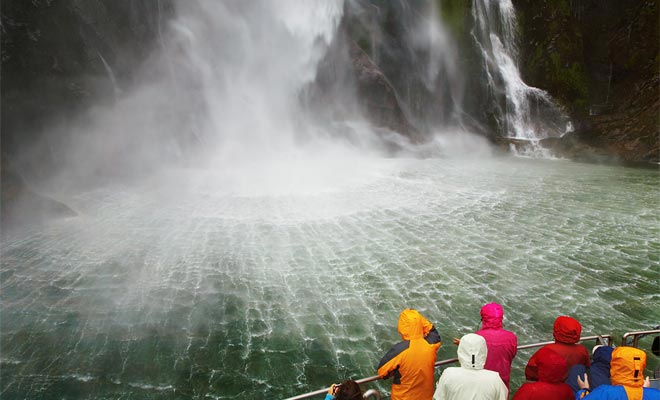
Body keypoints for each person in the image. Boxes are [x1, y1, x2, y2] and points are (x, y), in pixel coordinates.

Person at [377, 308, 442, 400]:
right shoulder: (430, 344)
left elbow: (382, 372)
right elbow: (432, 331)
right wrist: (417, 318)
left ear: (402, 327)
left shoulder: (399, 350)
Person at [433, 333, 508, 400]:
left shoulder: (448, 374)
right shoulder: (495, 379)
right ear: (484, 351)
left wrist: (466, 347)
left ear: (461, 351)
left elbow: (438, 397)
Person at [575, 346, 660, 399]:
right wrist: (645, 391)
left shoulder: (604, 392)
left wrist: (584, 391)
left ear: (616, 366)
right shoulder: (656, 394)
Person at [525, 316, 590, 381]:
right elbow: (586, 368)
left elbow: (530, 373)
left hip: (549, 385)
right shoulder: (582, 350)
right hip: (572, 386)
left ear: (556, 331)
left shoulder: (547, 350)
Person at [475, 302, 518, 390]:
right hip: (502, 384)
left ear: (483, 318)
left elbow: (472, 359)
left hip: (481, 386)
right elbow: (511, 354)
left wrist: (464, 344)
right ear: (501, 318)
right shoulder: (511, 337)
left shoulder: (477, 337)